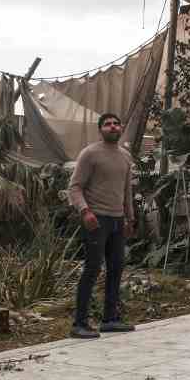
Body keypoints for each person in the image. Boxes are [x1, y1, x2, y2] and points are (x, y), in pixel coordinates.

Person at [68, 112, 136, 339]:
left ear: (121, 128)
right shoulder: (90, 154)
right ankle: (79, 323)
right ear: (101, 130)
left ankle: (110, 320)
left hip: (117, 220)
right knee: (92, 268)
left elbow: (127, 190)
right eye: (107, 124)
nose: (113, 127)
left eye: (116, 123)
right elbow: (75, 187)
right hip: (96, 219)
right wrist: (85, 211)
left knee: (116, 268)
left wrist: (129, 218)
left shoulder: (125, 157)